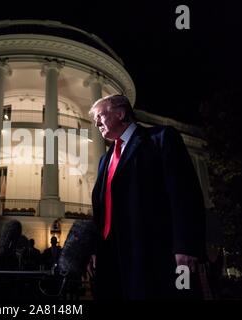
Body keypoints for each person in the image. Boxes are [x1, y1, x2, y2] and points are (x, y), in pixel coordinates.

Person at [88, 94, 206, 299]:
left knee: (181, 293)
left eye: (100, 116)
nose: (96, 123)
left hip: (161, 255)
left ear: (120, 113)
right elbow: (103, 209)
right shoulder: (104, 160)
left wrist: (186, 246)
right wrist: (95, 249)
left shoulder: (160, 138)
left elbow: (184, 194)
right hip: (114, 257)